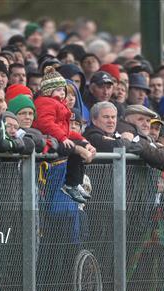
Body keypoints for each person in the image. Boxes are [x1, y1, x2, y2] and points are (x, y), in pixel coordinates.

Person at [33, 66, 96, 203]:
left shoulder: (58, 104)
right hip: (49, 140)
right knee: (73, 149)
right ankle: (70, 184)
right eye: (58, 90)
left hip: (58, 137)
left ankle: (75, 183)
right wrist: (63, 138)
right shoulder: (45, 102)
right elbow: (46, 124)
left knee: (80, 147)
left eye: (63, 90)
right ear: (49, 90)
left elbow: (65, 130)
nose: (62, 93)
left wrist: (84, 141)